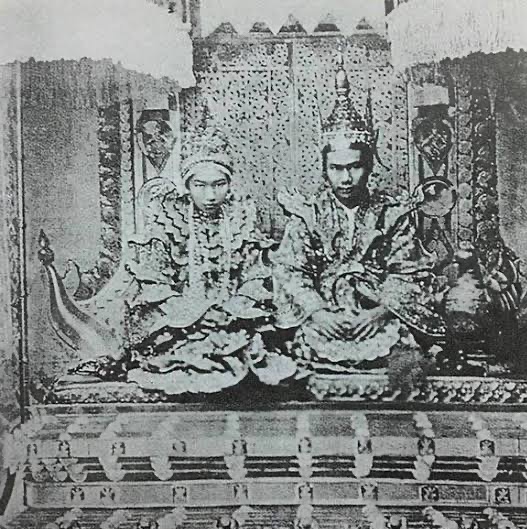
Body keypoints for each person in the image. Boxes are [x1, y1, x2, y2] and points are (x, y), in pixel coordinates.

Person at [71, 109, 296, 395]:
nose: (210, 195)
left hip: (233, 320)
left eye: (219, 185)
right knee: (185, 352)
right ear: (187, 185)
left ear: (229, 184)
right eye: (200, 186)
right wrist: (197, 314)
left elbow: (254, 277)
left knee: (251, 350)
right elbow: (154, 283)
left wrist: (232, 310)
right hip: (182, 324)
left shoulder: (242, 218)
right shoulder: (168, 220)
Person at [273, 52, 445, 377]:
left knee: (400, 353)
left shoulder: (391, 214)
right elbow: (290, 272)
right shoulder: (308, 215)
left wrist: (381, 311)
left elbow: (408, 271)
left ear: (368, 166)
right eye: (336, 168)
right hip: (325, 314)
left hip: (377, 312)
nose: (346, 178)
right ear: (325, 169)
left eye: (354, 167)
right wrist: (318, 312)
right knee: (304, 351)